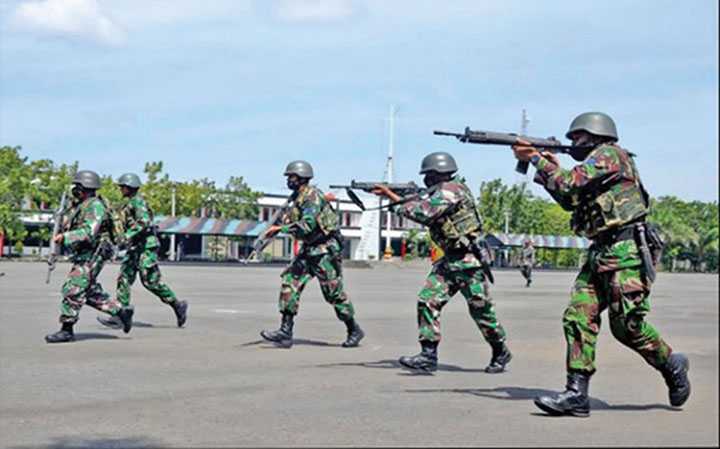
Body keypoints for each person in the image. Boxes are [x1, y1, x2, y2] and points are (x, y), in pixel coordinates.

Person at [512, 111, 690, 416]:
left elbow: (570, 182)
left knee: (627, 328)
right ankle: (576, 393)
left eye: (578, 138)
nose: (574, 143)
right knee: (578, 316)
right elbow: (570, 198)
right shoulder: (595, 168)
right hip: (600, 251)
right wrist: (546, 170)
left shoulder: (610, 155)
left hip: (626, 253)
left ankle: (671, 363)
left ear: (597, 136)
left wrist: (537, 160)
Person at [373, 152, 511, 373]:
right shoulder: (440, 192)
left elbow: (425, 213)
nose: (425, 179)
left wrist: (392, 197)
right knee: (427, 300)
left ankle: (500, 350)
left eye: (427, 175)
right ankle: (428, 355)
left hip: (468, 260)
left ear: (436, 174)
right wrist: (404, 195)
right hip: (449, 261)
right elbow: (426, 206)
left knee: (481, 310)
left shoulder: (452, 190)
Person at [260, 161, 364, 348]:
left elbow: (308, 225)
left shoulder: (312, 196)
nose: (288, 180)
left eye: (291, 177)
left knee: (334, 294)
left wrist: (280, 228)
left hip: (324, 251)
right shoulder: (296, 198)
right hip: (309, 250)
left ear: (300, 177)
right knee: (290, 282)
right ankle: (285, 331)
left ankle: (354, 329)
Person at [45, 170, 133, 343]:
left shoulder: (95, 205)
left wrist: (66, 237)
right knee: (89, 291)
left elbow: (88, 231)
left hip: (95, 252)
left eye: (76, 187)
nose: (74, 190)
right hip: (86, 252)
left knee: (73, 288)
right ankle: (121, 311)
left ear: (83, 187)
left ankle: (67, 329)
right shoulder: (82, 205)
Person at [97, 173, 187, 329]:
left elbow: (144, 221)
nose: (120, 189)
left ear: (129, 187)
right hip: (135, 247)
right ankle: (121, 313)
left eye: (122, 186)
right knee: (124, 277)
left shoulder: (138, 202)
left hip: (146, 246)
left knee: (150, 282)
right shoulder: (128, 203)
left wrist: (127, 235)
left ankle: (177, 305)